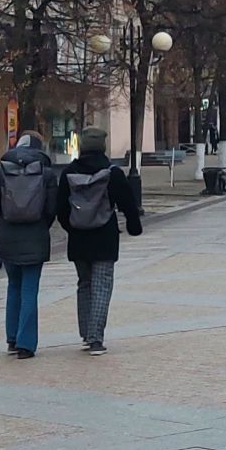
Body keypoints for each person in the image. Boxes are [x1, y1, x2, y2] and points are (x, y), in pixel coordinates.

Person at [59, 127, 143, 355]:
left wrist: (73, 225)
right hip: (105, 237)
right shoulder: (112, 173)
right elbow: (128, 203)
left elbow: (60, 208)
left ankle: (86, 334)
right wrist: (134, 227)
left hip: (78, 239)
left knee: (84, 284)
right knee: (102, 285)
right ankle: (96, 338)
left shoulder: (68, 173)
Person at [0, 133, 56, 358]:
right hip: (36, 236)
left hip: (8, 236)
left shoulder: (0, 171)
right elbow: (51, 208)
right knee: (29, 289)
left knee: (13, 286)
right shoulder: (46, 174)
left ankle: (12, 339)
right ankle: (26, 344)